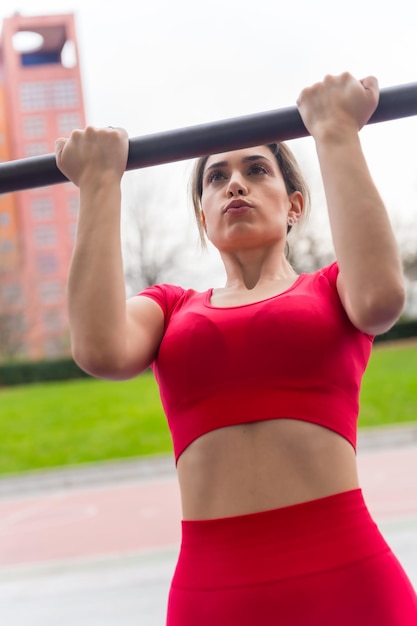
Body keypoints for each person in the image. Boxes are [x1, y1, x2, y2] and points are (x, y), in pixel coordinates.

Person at [55, 72, 417, 625]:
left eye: (256, 169)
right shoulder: (172, 307)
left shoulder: (332, 289)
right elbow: (100, 348)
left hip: (349, 578)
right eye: (215, 177)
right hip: (214, 593)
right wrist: (99, 185)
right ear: (203, 216)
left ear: (294, 205)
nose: (235, 184)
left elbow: (381, 298)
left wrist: (336, 130)